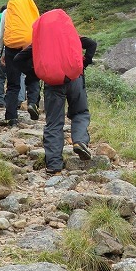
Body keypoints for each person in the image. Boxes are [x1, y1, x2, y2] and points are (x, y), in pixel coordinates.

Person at [42, 34, 97, 174]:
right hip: (75, 78)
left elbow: (20, 58)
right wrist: (84, 64)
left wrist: (33, 75)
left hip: (53, 81)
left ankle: (54, 165)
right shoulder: (71, 36)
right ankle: (79, 141)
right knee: (80, 113)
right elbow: (92, 43)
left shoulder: (42, 39)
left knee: (54, 122)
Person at [0, 0, 41, 126]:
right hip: (30, 46)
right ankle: (33, 103)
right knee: (33, 77)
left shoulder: (7, 11)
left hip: (12, 48)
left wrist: (1, 51)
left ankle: (11, 118)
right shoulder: (31, 9)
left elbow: (2, 32)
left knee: (13, 84)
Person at [0, 5, 25, 109]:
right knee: (20, 75)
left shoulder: (0, 16)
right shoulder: (21, 15)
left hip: (5, 47)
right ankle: (19, 99)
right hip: (20, 49)